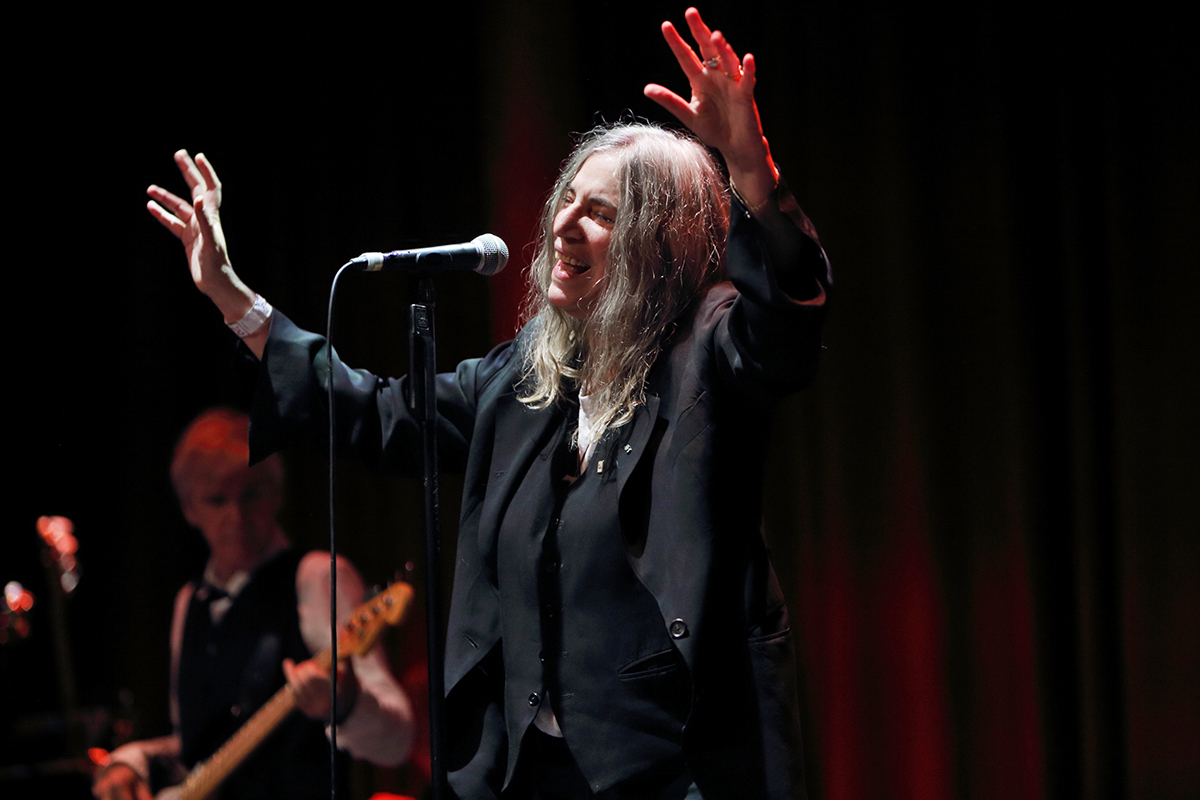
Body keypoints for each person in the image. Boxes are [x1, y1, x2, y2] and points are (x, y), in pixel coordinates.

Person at [145, 8, 831, 798]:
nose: (564, 225)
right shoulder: (523, 379)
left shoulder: (707, 349)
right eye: (567, 201)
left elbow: (785, 319)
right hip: (527, 775)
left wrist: (751, 171)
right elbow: (374, 413)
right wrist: (237, 301)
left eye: (601, 213)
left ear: (658, 242)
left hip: (674, 770)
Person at [92, 409, 415, 800]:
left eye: (251, 494)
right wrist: (131, 760)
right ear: (189, 510)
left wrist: (345, 703)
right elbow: (196, 747)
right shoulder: (189, 602)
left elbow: (398, 740)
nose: (237, 517)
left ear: (277, 493)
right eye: (217, 500)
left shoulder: (316, 576)